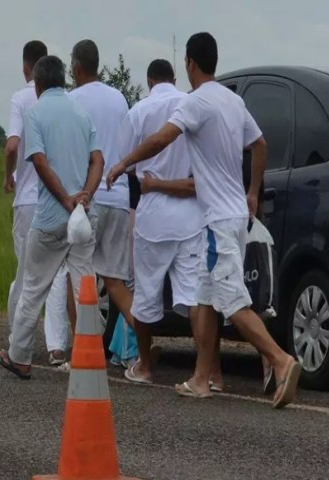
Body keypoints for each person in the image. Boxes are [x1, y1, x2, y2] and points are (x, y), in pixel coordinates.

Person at [107, 32, 300, 409]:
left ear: (190, 64)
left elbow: (162, 139)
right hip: (229, 217)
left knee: (231, 302)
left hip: (216, 222)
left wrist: (125, 162)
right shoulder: (232, 100)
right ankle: (201, 379)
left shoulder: (197, 103)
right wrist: (253, 192)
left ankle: (281, 360)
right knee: (204, 299)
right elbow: (259, 144)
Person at [0, 55, 104, 379]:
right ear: (64, 80)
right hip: (84, 216)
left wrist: (66, 200)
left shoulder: (36, 112)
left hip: (51, 217)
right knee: (84, 287)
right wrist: (84, 195)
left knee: (33, 286)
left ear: (39, 83)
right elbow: (97, 159)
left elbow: (40, 163)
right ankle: (90, 359)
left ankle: (20, 357)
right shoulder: (81, 112)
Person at [114, 59, 205, 385]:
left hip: (153, 215)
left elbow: (124, 163)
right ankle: (203, 372)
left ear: (149, 80)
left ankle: (145, 367)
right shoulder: (191, 105)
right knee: (193, 297)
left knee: (146, 295)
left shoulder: (139, 111)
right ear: (175, 77)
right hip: (190, 214)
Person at [4, 40, 70, 366]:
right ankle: (56, 346)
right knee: (57, 275)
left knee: (26, 274)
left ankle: (17, 341)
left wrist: (7, 177)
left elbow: (12, 146)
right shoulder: (66, 102)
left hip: (29, 197)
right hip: (62, 198)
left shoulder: (22, 99)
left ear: (27, 66)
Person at [68, 40, 134, 331]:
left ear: (76, 67)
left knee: (79, 276)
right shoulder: (119, 98)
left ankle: (80, 351)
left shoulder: (73, 100)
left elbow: (73, 153)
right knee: (115, 281)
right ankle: (142, 344)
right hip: (119, 196)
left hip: (88, 198)